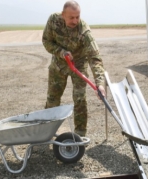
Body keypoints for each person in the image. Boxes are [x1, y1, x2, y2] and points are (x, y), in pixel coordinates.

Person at [42, 0, 106, 137]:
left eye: (77, 17)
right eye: (71, 17)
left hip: (79, 65)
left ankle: (80, 134)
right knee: (52, 99)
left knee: (80, 99)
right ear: (63, 14)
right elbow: (46, 41)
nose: (75, 20)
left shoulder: (84, 30)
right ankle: (47, 131)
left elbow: (95, 58)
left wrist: (100, 84)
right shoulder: (53, 20)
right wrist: (60, 51)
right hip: (58, 65)